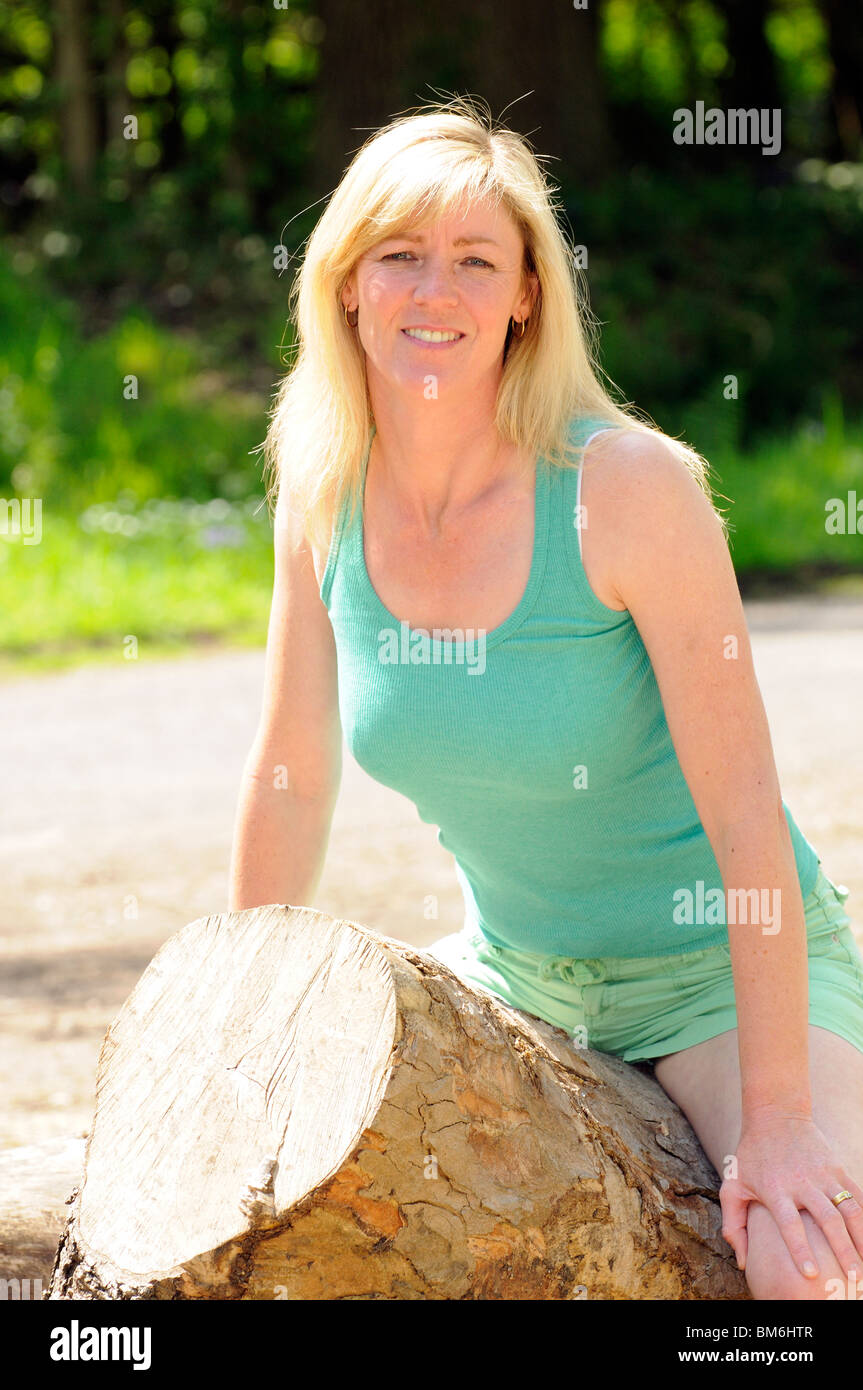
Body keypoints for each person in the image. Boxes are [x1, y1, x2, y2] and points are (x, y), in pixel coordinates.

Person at [228, 95, 863, 1301]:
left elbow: (745, 823)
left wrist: (779, 1120)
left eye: (476, 260)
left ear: (526, 294)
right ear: (346, 285)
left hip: (712, 978)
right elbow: (291, 777)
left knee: (804, 1278)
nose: (436, 291)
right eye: (400, 256)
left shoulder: (625, 489)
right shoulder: (320, 495)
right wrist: (230, 1023)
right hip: (515, 977)